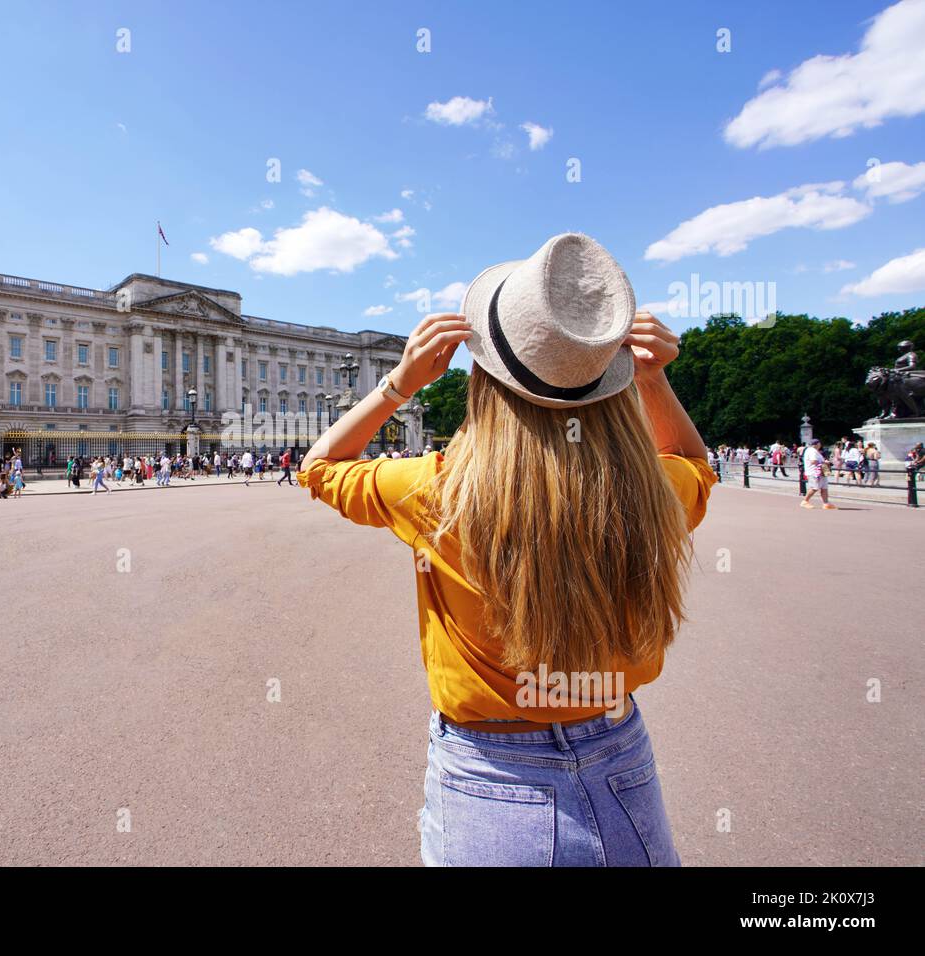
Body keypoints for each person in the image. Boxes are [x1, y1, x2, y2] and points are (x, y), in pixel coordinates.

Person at [296, 234, 714, 867]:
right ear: (612, 375)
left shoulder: (435, 490)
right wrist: (654, 382)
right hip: (621, 753)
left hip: (491, 775)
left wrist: (398, 384)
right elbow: (692, 461)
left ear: (484, 379)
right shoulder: (656, 493)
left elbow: (320, 467)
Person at [800, 440, 836, 510]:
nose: (820, 445)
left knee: (824, 487)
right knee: (814, 487)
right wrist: (824, 462)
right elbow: (813, 461)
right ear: (816, 444)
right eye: (819, 443)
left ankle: (826, 503)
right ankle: (805, 501)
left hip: (821, 471)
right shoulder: (812, 451)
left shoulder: (814, 451)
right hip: (815, 472)